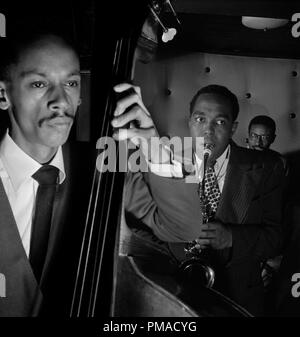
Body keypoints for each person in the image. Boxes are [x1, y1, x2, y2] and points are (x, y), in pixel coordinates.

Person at [112, 83, 286, 316]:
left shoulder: (268, 168)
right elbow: (141, 227)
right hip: (173, 296)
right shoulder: (162, 161)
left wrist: (232, 237)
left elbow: (276, 238)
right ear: (189, 122)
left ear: (234, 127)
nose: (208, 131)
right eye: (200, 120)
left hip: (240, 300)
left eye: (220, 122)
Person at [0, 33, 94, 316]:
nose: (61, 101)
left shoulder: (103, 165)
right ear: (4, 95)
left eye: (71, 83)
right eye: (39, 84)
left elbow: (182, 228)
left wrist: (154, 146)